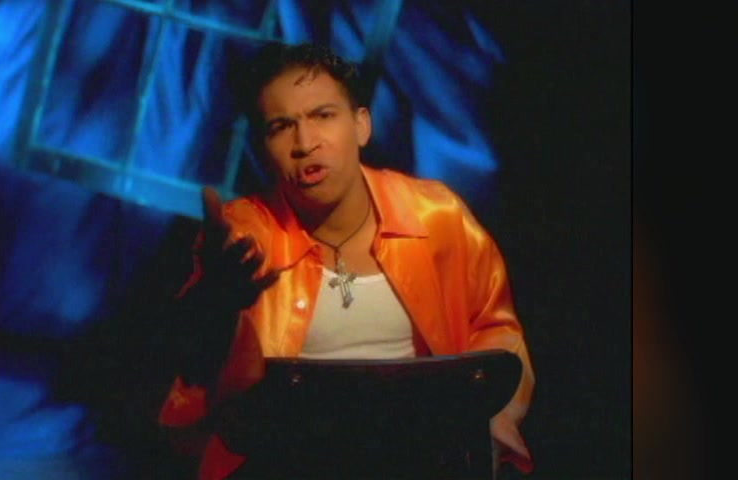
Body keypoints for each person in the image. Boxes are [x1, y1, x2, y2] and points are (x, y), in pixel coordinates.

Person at [157, 42, 535, 480]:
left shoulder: (436, 216)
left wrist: (493, 418)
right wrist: (218, 307)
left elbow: (495, 328)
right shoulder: (244, 237)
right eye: (281, 126)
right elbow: (205, 377)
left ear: (361, 125)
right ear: (262, 147)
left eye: (323, 115)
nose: (305, 143)